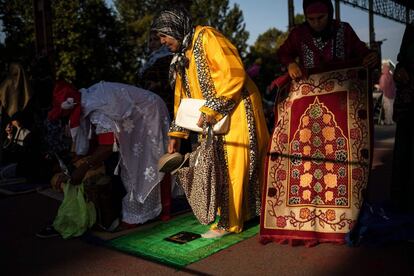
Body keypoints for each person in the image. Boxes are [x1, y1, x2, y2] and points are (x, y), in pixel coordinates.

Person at [260, 0, 378, 246]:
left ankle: (339, 220)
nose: (316, 24)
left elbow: (362, 52)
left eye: (321, 18)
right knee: (307, 161)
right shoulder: (299, 33)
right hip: (307, 104)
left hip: (340, 107)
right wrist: (291, 63)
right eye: (311, 19)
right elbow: (283, 52)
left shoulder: (344, 31)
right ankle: (304, 219)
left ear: (329, 14)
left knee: (337, 160)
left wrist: (370, 57)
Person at [151, 8, 269, 238]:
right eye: (160, 37)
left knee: (234, 164)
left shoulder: (206, 37)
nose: (162, 41)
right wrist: (176, 136)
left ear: (175, 28)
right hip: (210, 118)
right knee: (216, 165)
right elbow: (181, 97)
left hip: (236, 109)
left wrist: (212, 109)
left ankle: (230, 222)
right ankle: (241, 214)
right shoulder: (181, 57)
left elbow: (233, 74)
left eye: (164, 35)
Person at [37, 80, 170, 238]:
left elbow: (107, 146)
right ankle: (147, 210)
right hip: (137, 117)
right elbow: (92, 143)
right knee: (134, 164)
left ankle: (144, 213)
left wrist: (83, 167)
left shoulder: (96, 106)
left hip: (147, 114)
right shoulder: (85, 100)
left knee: (142, 165)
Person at [391, 21, 414, 214]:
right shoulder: (412, 27)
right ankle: (400, 208)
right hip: (409, 104)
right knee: (402, 158)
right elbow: (402, 60)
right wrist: (400, 70)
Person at [139, 31, 174, 117]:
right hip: (150, 105)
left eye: (156, 39)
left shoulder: (169, 58)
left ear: (163, 41)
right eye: (150, 40)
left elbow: (170, 82)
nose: (152, 43)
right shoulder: (149, 61)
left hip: (166, 104)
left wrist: (155, 85)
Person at [377, 61, 396, 125]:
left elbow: (382, 87)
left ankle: (387, 121)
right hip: (392, 94)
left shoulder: (384, 76)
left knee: (386, 108)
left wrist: (377, 86)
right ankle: (390, 120)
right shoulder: (390, 76)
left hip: (386, 94)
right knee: (391, 108)